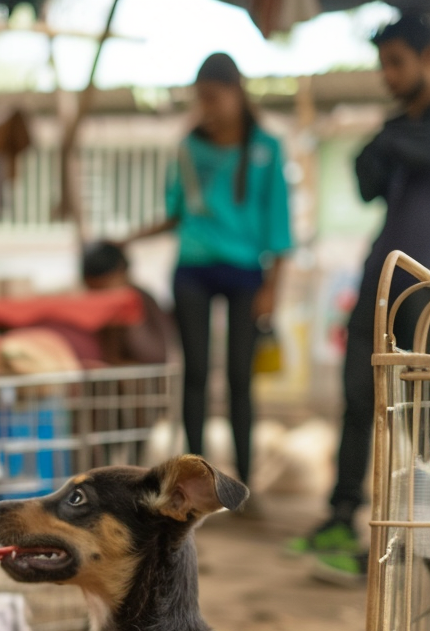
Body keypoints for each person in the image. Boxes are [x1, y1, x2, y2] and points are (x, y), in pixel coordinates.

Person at [287, 13, 430, 585]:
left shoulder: (404, 133)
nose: (386, 75)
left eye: (396, 62)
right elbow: (366, 180)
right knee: (356, 404)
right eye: (383, 63)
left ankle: (413, 538)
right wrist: (391, 137)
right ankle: (342, 522)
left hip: (424, 294)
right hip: (380, 285)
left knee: (421, 421)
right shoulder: (397, 128)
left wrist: (397, 138)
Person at [128, 52, 292, 497]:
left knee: (241, 377)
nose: (208, 108)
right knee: (195, 373)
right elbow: (176, 213)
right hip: (193, 271)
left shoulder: (267, 148)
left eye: (215, 98)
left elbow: (280, 225)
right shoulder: (188, 147)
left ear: (237, 93)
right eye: (201, 99)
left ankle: (245, 481)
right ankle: (195, 481)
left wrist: (273, 288)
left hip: (245, 274)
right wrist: (129, 238)